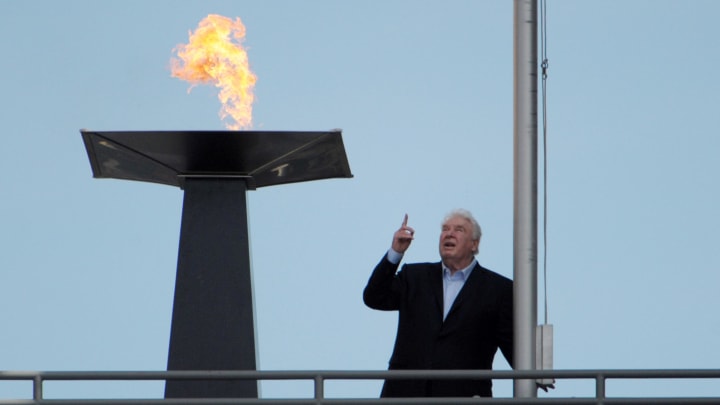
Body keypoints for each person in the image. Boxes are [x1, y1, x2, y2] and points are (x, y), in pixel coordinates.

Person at [363, 209, 513, 398]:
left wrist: (535, 373)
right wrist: (395, 253)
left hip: (463, 397)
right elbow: (374, 297)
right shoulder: (415, 277)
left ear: (474, 244)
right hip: (405, 396)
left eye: (459, 230)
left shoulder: (498, 289)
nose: (449, 233)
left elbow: (511, 342)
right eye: (445, 229)